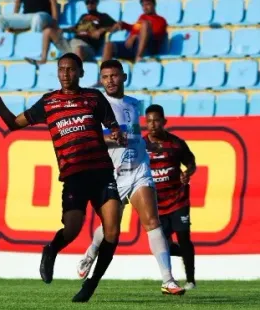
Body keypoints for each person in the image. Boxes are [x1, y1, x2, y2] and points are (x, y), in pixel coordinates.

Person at [0, 52, 123, 303]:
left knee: (112, 231)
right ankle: (51, 250)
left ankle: (90, 285)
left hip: (102, 172)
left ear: (81, 73)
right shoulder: (48, 102)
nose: (65, 74)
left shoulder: (94, 97)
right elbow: (14, 123)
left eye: (70, 69)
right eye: (61, 69)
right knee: (72, 229)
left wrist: (116, 132)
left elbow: (112, 124)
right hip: (74, 176)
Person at [75, 60, 185, 296]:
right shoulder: (97, 107)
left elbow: (134, 136)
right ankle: (91, 253)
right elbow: (92, 138)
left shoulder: (135, 104)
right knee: (110, 226)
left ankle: (168, 280)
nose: (110, 81)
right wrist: (115, 140)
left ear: (124, 77)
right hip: (112, 175)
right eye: (105, 77)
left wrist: (147, 146)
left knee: (152, 222)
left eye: (114, 76)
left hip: (139, 171)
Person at [144, 104, 197, 290]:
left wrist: (187, 172)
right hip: (155, 204)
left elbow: (191, 162)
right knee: (163, 244)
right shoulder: (141, 146)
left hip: (178, 199)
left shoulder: (176, 143)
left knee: (183, 236)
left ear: (164, 122)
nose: (152, 124)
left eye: (156, 120)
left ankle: (190, 280)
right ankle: (174, 270)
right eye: (149, 121)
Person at [25, 0, 116, 65]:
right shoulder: (83, 16)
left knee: (78, 49)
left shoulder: (103, 16)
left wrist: (102, 30)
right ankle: (43, 59)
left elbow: (116, 26)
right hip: (71, 44)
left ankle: (77, 76)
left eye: (92, 2)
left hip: (87, 47)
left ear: (97, 3)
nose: (89, 5)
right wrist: (63, 30)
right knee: (48, 31)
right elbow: (75, 28)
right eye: (87, 3)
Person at [102, 0, 167, 62]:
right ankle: (104, 71)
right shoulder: (142, 17)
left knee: (145, 24)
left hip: (148, 47)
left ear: (154, 4)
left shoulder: (161, 20)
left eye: (147, 4)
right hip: (133, 46)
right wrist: (124, 25)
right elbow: (135, 28)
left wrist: (135, 36)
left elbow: (155, 33)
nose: (145, 8)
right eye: (143, 5)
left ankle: (138, 57)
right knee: (109, 45)